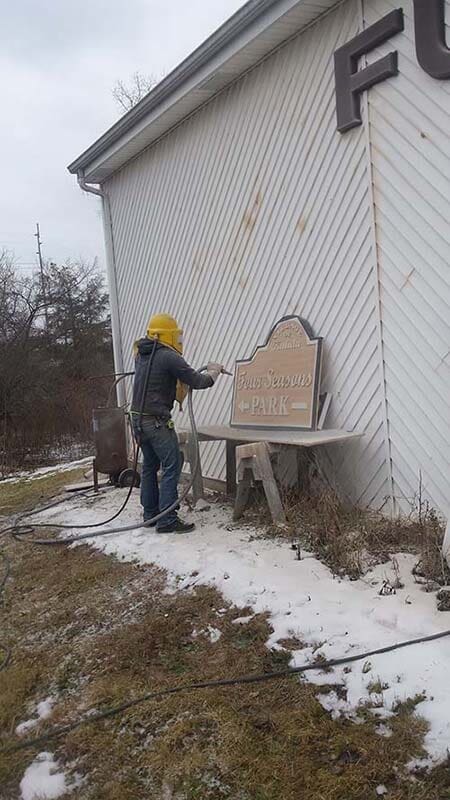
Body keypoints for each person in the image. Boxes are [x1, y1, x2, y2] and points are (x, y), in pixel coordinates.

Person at [131, 313, 222, 533]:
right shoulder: (168, 356)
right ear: (169, 335)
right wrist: (214, 372)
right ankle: (167, 520)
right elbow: (198, 380)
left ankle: (151, 515)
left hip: (137, 419)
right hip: (156, 421)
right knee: (172, 464)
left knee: (150, 466)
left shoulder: (141, 353)